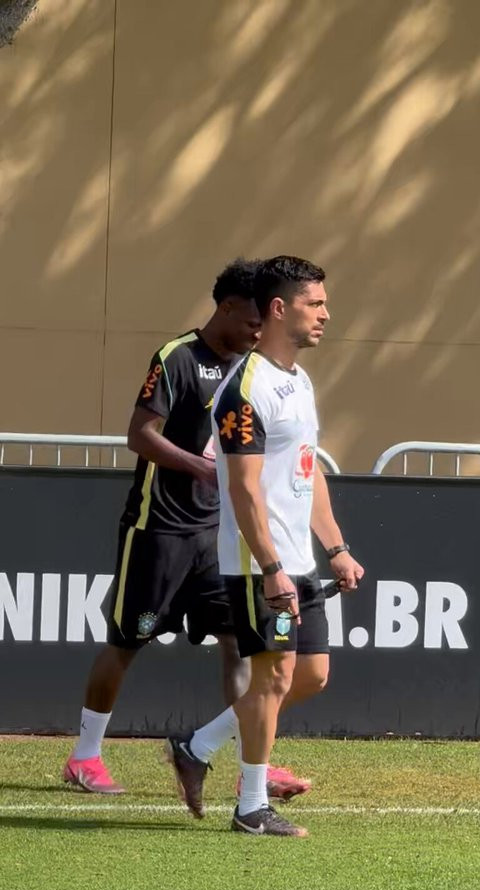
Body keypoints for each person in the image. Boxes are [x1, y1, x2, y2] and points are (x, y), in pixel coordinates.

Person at [63, 258, 310, 810]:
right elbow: (140, 435)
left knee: (240, 643)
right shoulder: (178, 357)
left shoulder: (252, 370)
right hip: (159, 529)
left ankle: (252, 765)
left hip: (218, 536)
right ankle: (85, 755)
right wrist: (203, 468)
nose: (258, 332)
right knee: (127, 641)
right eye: (252, 321)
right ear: (226, 308)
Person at [166, 255, 364, 836]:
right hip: (259, 563)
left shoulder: (298, 380)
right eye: (315, 304)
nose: (326, 314)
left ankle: (197, 746)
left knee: (311, 676)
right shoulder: (245, 388)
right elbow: (244, 488)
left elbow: (308, 469)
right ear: (280, 308)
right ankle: (251, 807)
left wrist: (336, 548)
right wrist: (272, 566)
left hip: (299, 559)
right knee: (272, 680)